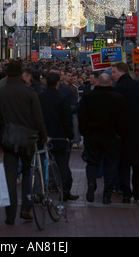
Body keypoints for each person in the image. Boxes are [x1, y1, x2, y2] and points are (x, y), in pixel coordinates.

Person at [0, 60, 47, 225]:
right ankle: (26, 208)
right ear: (21, 74)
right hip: (28, 139)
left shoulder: (0, 93)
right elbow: (38, 118)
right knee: (28, 173)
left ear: (7, 74)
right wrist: (43, 136)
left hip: (8, 139)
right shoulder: (29, 93)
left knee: (10, 175)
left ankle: (10, 213)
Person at [78, 73, 126, 204]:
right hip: (112, 136)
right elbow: (123, 119)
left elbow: (81, 115)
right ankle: (107, 194)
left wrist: (84, 131)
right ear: (110, 83)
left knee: (92, 162)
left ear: (98, 83)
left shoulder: (89, 96)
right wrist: (120, 133)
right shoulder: (118, 98)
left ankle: (92, 182)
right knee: (111, 165)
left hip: (92, 135)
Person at [111, 62, 139, 203]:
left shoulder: (117, 89)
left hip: (122, 132)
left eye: (114, 72)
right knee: (138, 164)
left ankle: (126, 192)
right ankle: (138, 191)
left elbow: (114, 112)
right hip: (138, 130)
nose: (112, 75)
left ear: (121, 72)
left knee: (124, 164)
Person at [38, 72, 79, 202]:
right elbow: (66, 118)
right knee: (63, 165)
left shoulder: (40, 97)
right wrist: (70, 134)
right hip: (60, 136)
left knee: (43, 163)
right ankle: (65, 191)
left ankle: (42, 189)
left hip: (44, 136)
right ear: (57, 83)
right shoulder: (62, 97)